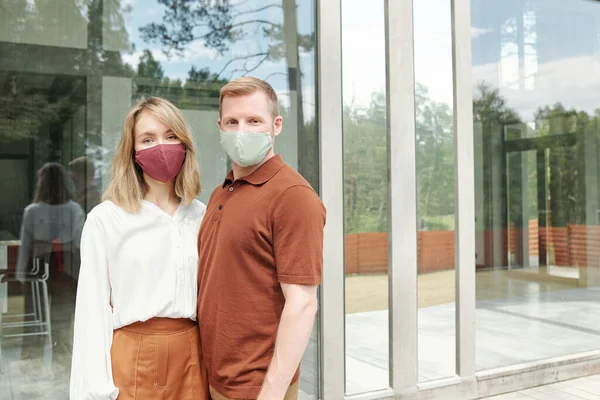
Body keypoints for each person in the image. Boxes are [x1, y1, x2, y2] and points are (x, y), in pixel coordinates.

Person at [70, 97, 209, 400]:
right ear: (133, 153)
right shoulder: (106, 219)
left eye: (171, 136)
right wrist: (94, 389)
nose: (161, 146)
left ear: (185, 145)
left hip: (192, 355)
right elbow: (91, 312)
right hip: (132, 353)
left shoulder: (202, 216)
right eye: (148, 139)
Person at [197, 77, 326, 400]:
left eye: (254, 121)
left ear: (276, 125)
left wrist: (271, 392)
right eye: (232, 121)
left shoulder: (293, 196)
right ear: (221, 126)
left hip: (257, 388)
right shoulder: (220, 193)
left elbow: (304, 303)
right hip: (215, 378)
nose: (242, 130)